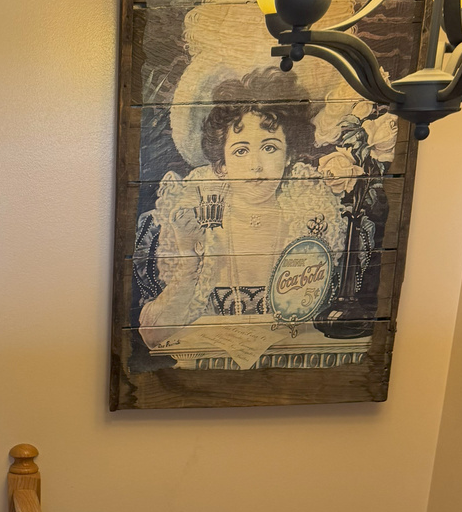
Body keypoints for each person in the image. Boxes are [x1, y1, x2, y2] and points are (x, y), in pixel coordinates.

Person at [137, 71, 345, 347]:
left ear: (289, 156)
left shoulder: (311, 223)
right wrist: (189, 260)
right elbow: (152, 336)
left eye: (270, 148)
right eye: (240, 151)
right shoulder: (195, 224)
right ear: (221, 165)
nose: (256, 165)